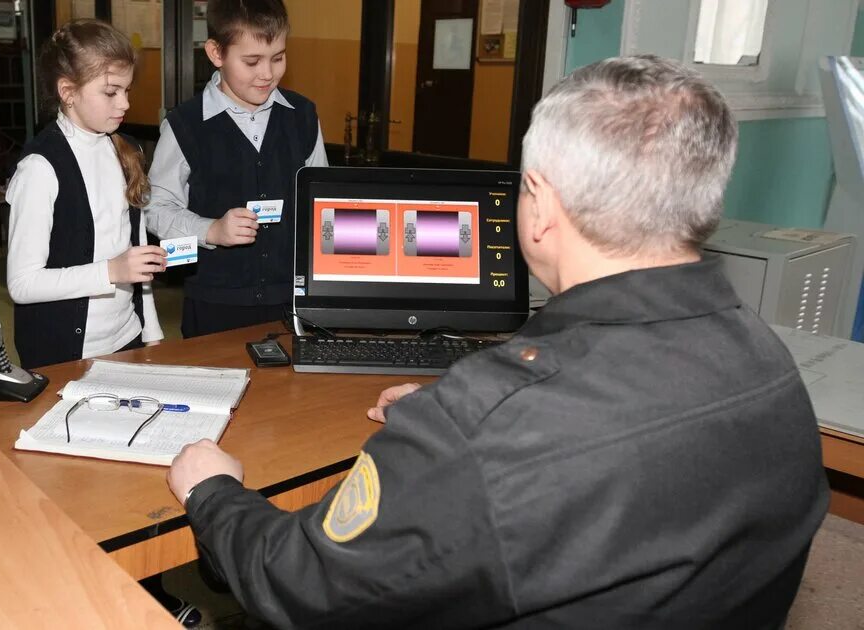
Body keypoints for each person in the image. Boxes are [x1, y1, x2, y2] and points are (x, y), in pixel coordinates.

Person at [166, 55, 830, 628]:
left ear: (537, 204)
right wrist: (452, 430)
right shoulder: (773, 367)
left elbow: (301, 581)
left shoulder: (488, 425)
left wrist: (214, 493)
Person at [145, 0, 328, 338]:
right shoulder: (185, 125)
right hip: (215, 304)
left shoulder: (303, 116)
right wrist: (211, 230)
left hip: (291, 302)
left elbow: (321, 207)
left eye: (278, 58)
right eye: (251, 61)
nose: (267, 74)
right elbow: (156, 210)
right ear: (216, 53)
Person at [5, 20, 164, 370]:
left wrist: (151, 332)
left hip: (126, 338)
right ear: (68, 91)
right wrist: (110, 271)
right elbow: (22, 284)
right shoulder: (40, 167)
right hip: (64, 353)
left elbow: (137, 262)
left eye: (127, 90)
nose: (124, 103)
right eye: (111, 92)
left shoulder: (123, 150)